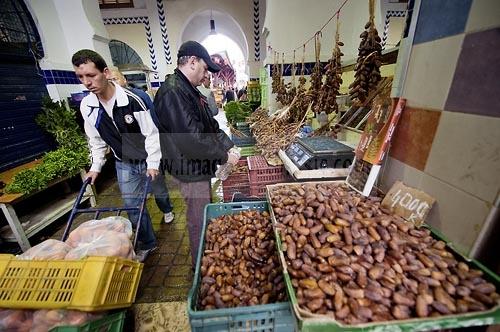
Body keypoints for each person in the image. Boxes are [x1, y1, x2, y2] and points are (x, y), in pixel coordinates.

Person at [152, 41, 238, 266]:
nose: (206, 74)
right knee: (198, 219)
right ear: (192, 62)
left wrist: (228, 145)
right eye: (205, 68)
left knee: (204, 214)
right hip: (189, 169)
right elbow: (191, 139)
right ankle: (200, 267)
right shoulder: (173, 92)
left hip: (197, 166)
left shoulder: (187, 90)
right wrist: (224, 156)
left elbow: (209, 125)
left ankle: (205, 257)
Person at [71, 49, 160, 262]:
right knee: (133, 204)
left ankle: (166, 209)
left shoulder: (133, 100)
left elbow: (152, 134)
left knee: (160, 192)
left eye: (91, 75)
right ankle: (148, 243)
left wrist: (153, 163)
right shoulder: (88, 106)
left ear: (106, 72)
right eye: (81, 77)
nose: (87, 82)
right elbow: (96, 140)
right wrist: (95, 167)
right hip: (124, 162)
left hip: (148, 159)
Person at [108, 68, 175, 224]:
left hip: (147, 154)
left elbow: (154, 126)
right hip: (125, 159)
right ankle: (145, 239)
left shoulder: (139, 97)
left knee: (158, 188)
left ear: (124, 79)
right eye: (109, 81)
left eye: (115, 79)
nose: (113, 84)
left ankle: (167, 209)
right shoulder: (105, 104)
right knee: (131, 201)